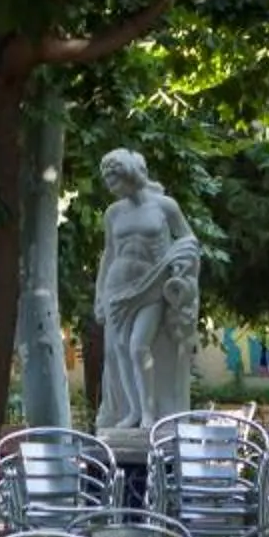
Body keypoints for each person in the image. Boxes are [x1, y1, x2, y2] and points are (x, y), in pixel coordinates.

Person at [93, 150, 201, 433]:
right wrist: (99, 296)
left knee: (138, 346)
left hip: (153, 283)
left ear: (129, 174)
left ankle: (150, 413)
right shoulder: (113, 213)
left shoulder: (165, 206)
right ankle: (133, 412)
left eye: (113, 179)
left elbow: (188, 238)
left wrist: (180, 259)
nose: (110, 187)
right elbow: (108, 254)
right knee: (119, 351)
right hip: (117, 288)